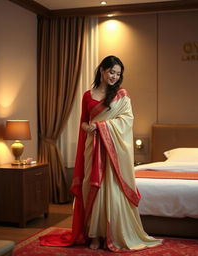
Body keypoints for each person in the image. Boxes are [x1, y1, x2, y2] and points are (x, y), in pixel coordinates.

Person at [40, 55, 162, 252]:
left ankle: (111, 234)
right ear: (102, 71)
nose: (114, 76)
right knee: (92, 189)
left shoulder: (121, 95)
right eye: (111, 72)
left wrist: (100, 126)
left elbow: (127, 120)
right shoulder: (88, 95)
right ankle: (94, 235)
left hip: (112, 152)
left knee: (111, 191)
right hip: (92, 148)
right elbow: (83, 121)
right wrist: (88, 127)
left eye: (118, 74)